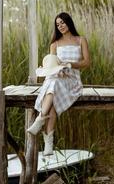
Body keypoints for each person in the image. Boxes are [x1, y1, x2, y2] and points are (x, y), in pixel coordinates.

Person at [27, 12, 90, 156]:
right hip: (55, 77)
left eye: (62, 23)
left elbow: (86, 62)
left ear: (68, 22)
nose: (60, 26)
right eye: (57, 24)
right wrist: (57, 70)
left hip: (72, 80)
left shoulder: (80, 40)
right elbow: (51, 67)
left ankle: (40, 119)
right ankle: (48, 144)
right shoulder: (54, 44)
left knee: (53, 87)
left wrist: (69, 64)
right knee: (53, 92)